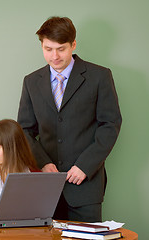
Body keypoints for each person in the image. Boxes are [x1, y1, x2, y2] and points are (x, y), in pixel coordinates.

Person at [17, 16, 122, 222]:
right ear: (42, 46)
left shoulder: (99, 76)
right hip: (45, 186)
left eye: (61, 49)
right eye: (48, 49)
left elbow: (110, 125)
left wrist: (85, 165)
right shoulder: (31, 81)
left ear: (73, 44)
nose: (54, 56)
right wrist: (43, 163)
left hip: (85, 186)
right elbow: (24, 130)